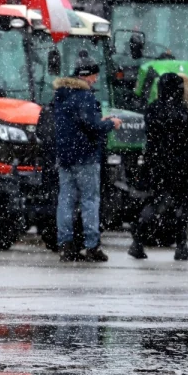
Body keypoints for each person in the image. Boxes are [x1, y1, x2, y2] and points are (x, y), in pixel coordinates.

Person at [52, 56, 120, 262]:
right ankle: (92, 246)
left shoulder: (60, 95)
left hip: (65, 156)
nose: (96, 80)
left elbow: (72, 123)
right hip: (85, 156)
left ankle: (65, 244)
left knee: (65, 201)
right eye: (95, 76)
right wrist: (110, 124)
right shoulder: (85, 97)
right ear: (89, 76)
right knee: (90, 200)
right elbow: (91, 126)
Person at [129, 72, 188, 260]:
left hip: (155, 163)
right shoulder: (181, 110)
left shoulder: (152, 109)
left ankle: (138, 241)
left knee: (153, 201)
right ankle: (181, 245)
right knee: (181, 205)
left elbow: (149, 135)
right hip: (179, 164)